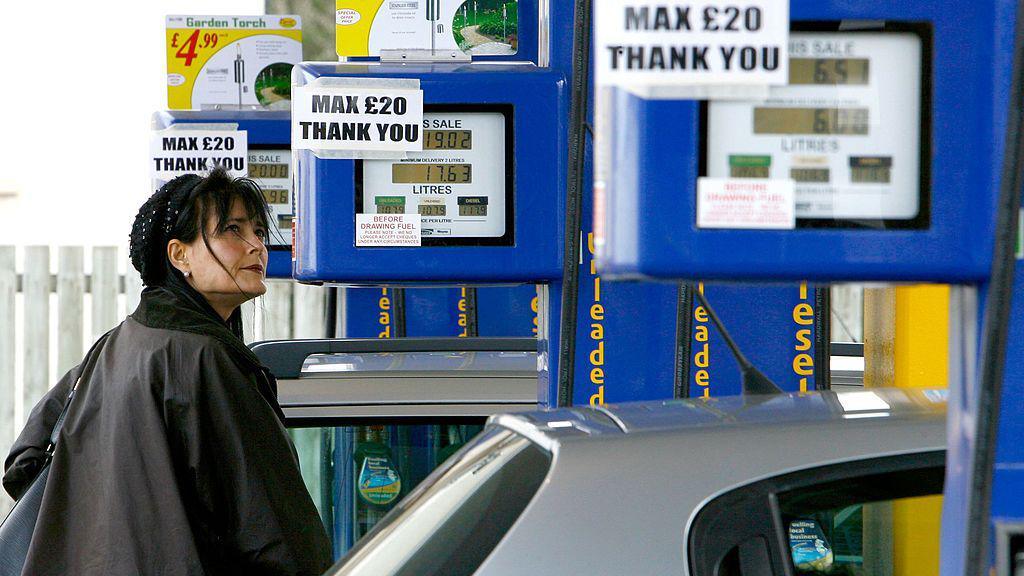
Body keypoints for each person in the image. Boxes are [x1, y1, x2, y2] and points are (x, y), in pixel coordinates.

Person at [2, 169, 333, 575]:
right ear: (180, 256)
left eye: (259, 232)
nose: (256, 247)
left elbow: (24, 463)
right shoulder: (203, 358)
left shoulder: (117, 344)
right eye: (233, 230)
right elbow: (279, 535)